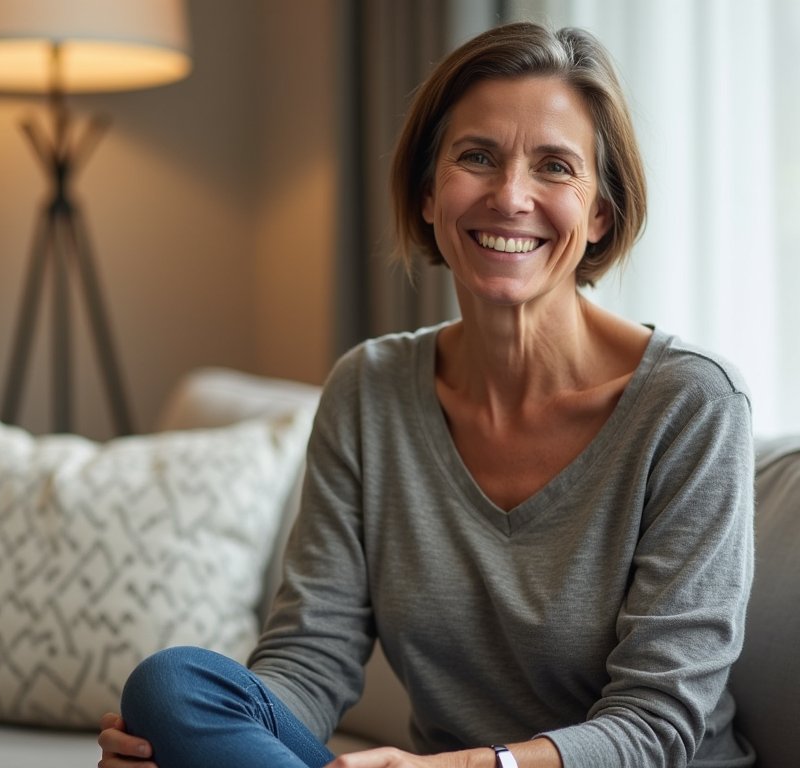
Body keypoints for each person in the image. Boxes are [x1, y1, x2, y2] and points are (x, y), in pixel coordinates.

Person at [99, 20, 756, 768]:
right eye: (477, 157)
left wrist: (477, 766)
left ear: (600, 212)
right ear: (426, 194)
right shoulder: (369, 391)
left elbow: (658, 723)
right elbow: (311, 657)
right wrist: (184, 740)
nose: (511, 197)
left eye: (554, 167)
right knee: (173, 685)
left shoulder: (691, 404)